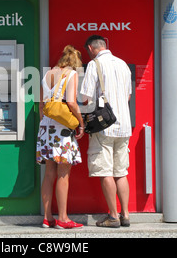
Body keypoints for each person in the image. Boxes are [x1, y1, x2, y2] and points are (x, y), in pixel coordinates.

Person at [80, 35, 132, 228]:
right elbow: (127, 96)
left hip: (103, 127)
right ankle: (125, 214)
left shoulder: (95, 65)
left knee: (105, 171)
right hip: (124, 125)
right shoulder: (123, 64)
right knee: (121, 172)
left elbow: (85, 97)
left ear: (90, 48)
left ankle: (113, 216)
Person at [36, 45, 85, 229]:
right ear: (75, 63)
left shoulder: (47, 74)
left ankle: (47, 218)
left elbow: (41, 105)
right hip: (62, 130)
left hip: (45, 128)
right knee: (63, 174)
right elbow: (71, 102)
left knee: (49, 173)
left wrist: (46, 122)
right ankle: (63, 219)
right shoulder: (71, 74)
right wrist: (80, 122)